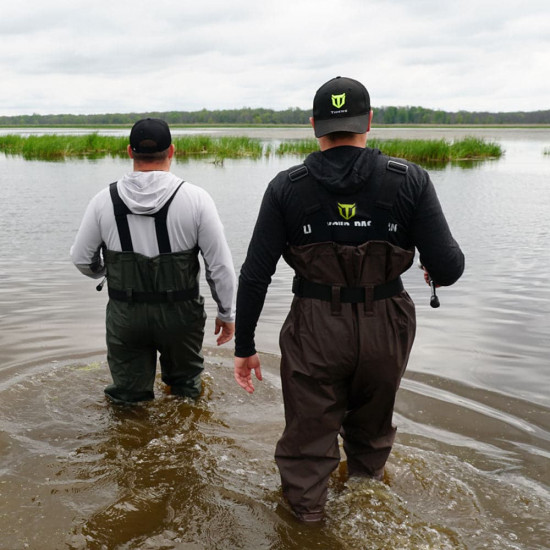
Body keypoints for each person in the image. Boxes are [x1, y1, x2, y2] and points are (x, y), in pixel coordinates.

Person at [233, 77, 464, 522]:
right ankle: (368, 510)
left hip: (315, 329)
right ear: (370, 121)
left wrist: (244, 347)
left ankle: (308, 525)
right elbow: (449, 268)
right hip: (387, 326)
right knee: (372, 435)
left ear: (315, 125)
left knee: (307, 447)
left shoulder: (286, 187)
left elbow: (256, 274)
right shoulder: (409, 180)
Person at [71, 118, 236, 404]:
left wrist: (106, 270)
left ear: (129, 152)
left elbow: (81, 259)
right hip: (180, 315)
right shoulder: (196, 199)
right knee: (186, 392)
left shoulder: (103, 200)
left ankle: (128, 443)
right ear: (171, 151)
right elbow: (219, 266)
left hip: (126, 313)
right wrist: (227, 313)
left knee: (127, 397)